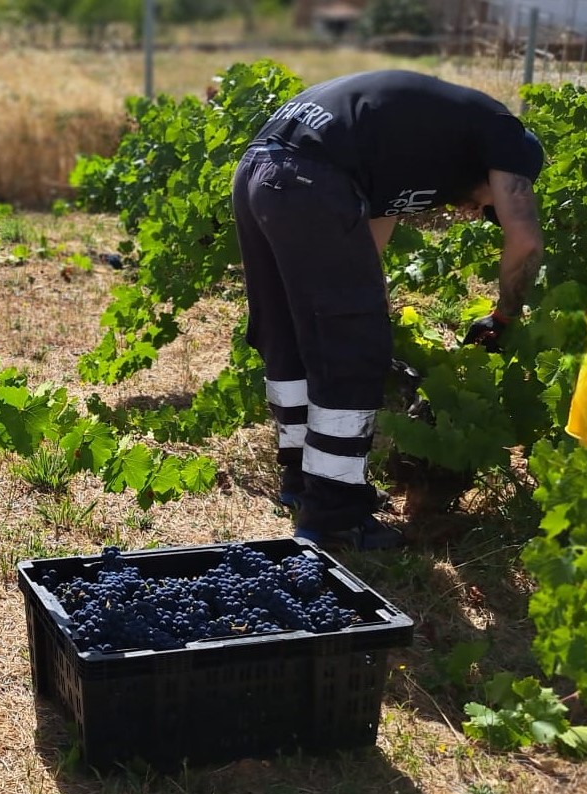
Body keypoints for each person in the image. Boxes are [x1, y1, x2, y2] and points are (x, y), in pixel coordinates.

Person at [231, 70, 545, 550]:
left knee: (292, 337)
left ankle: (303, 483)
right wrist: (504, 316)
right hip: (307, 179)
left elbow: (366, 250)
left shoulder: (412, 151)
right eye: (487, 208)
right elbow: (524, 241)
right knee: (351, 356)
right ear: (502, 180)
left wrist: (373, 315)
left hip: (262, 170)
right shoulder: (506, 136)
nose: (472, 214)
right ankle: (335, 514)